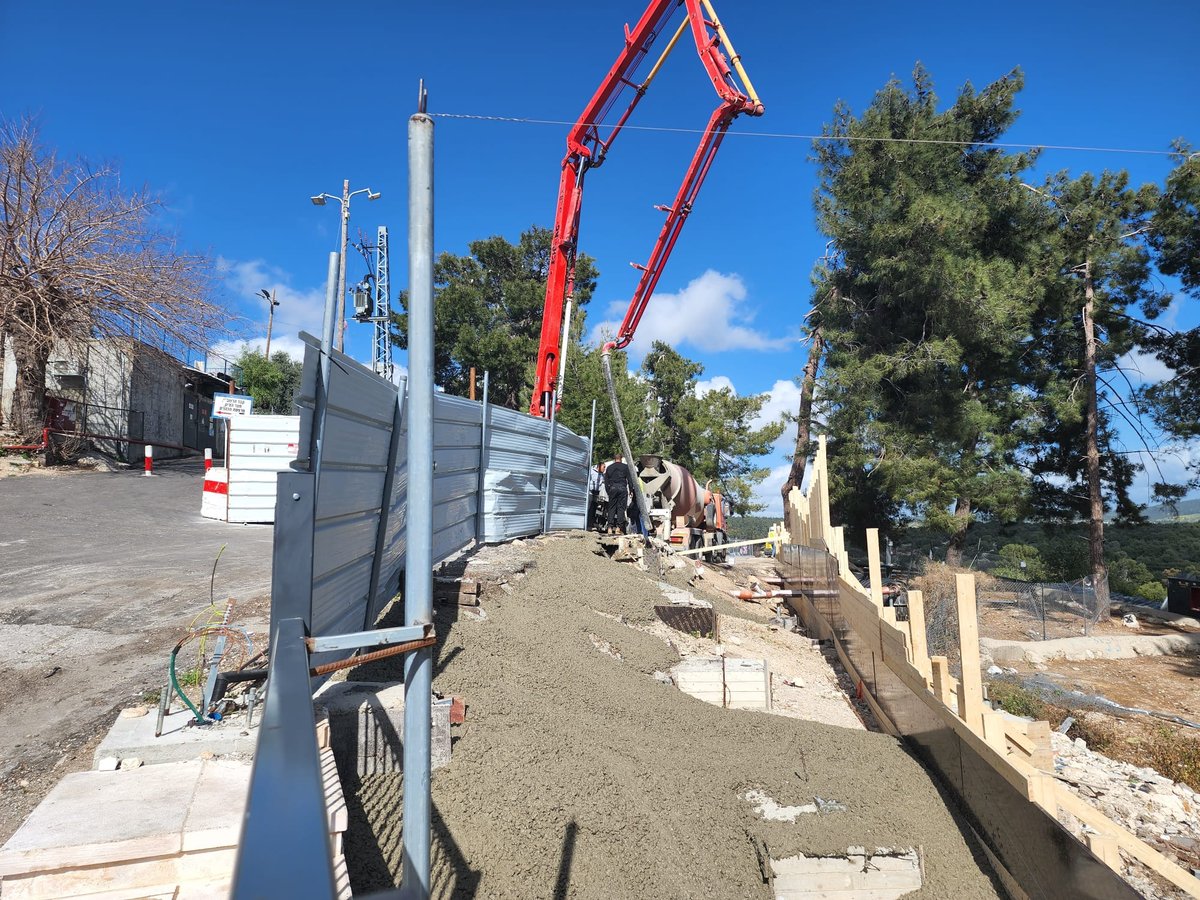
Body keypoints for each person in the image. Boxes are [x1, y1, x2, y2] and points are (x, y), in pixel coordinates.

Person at [603, 453, 631, 534]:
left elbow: (606, 481)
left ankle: (609, 528)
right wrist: (631, 490)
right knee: (621, 508)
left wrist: (608, 491)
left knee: (611, 508)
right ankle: (618, 528)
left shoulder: (609, 467)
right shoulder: (625, 467)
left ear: (614, 459)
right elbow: (629, 479)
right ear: (621, 458)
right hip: (622, 488)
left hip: (612, 488)